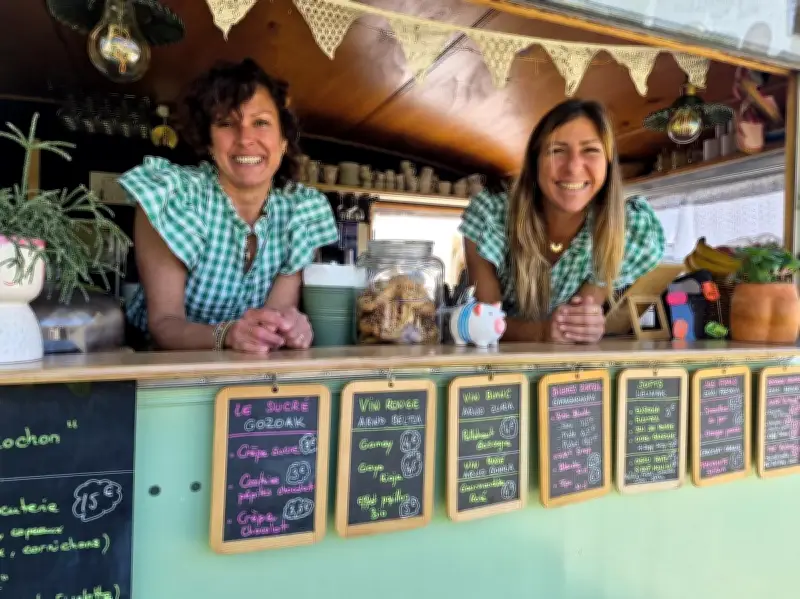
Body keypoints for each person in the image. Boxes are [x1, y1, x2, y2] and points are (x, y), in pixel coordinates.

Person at [119, 58, 338, 353]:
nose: (246, 139)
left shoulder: (302, 212)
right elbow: (165, 325)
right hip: (160, 371)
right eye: (226, 123)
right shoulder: (174, 196)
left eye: (261, 123)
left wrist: (290, 327)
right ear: (209, 142)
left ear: (283, 141)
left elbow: (271, 326)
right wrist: (228, 335)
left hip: (246, 377)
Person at [459, 99, 665, 344]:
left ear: (608, 162)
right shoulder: (490, 216)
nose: (573, 167)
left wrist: (585, 324)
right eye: (557, 150)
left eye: (590, 150)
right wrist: (541, 332)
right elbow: (482, 323)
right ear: (535, 160)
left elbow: (575, 321)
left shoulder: (627, 228)